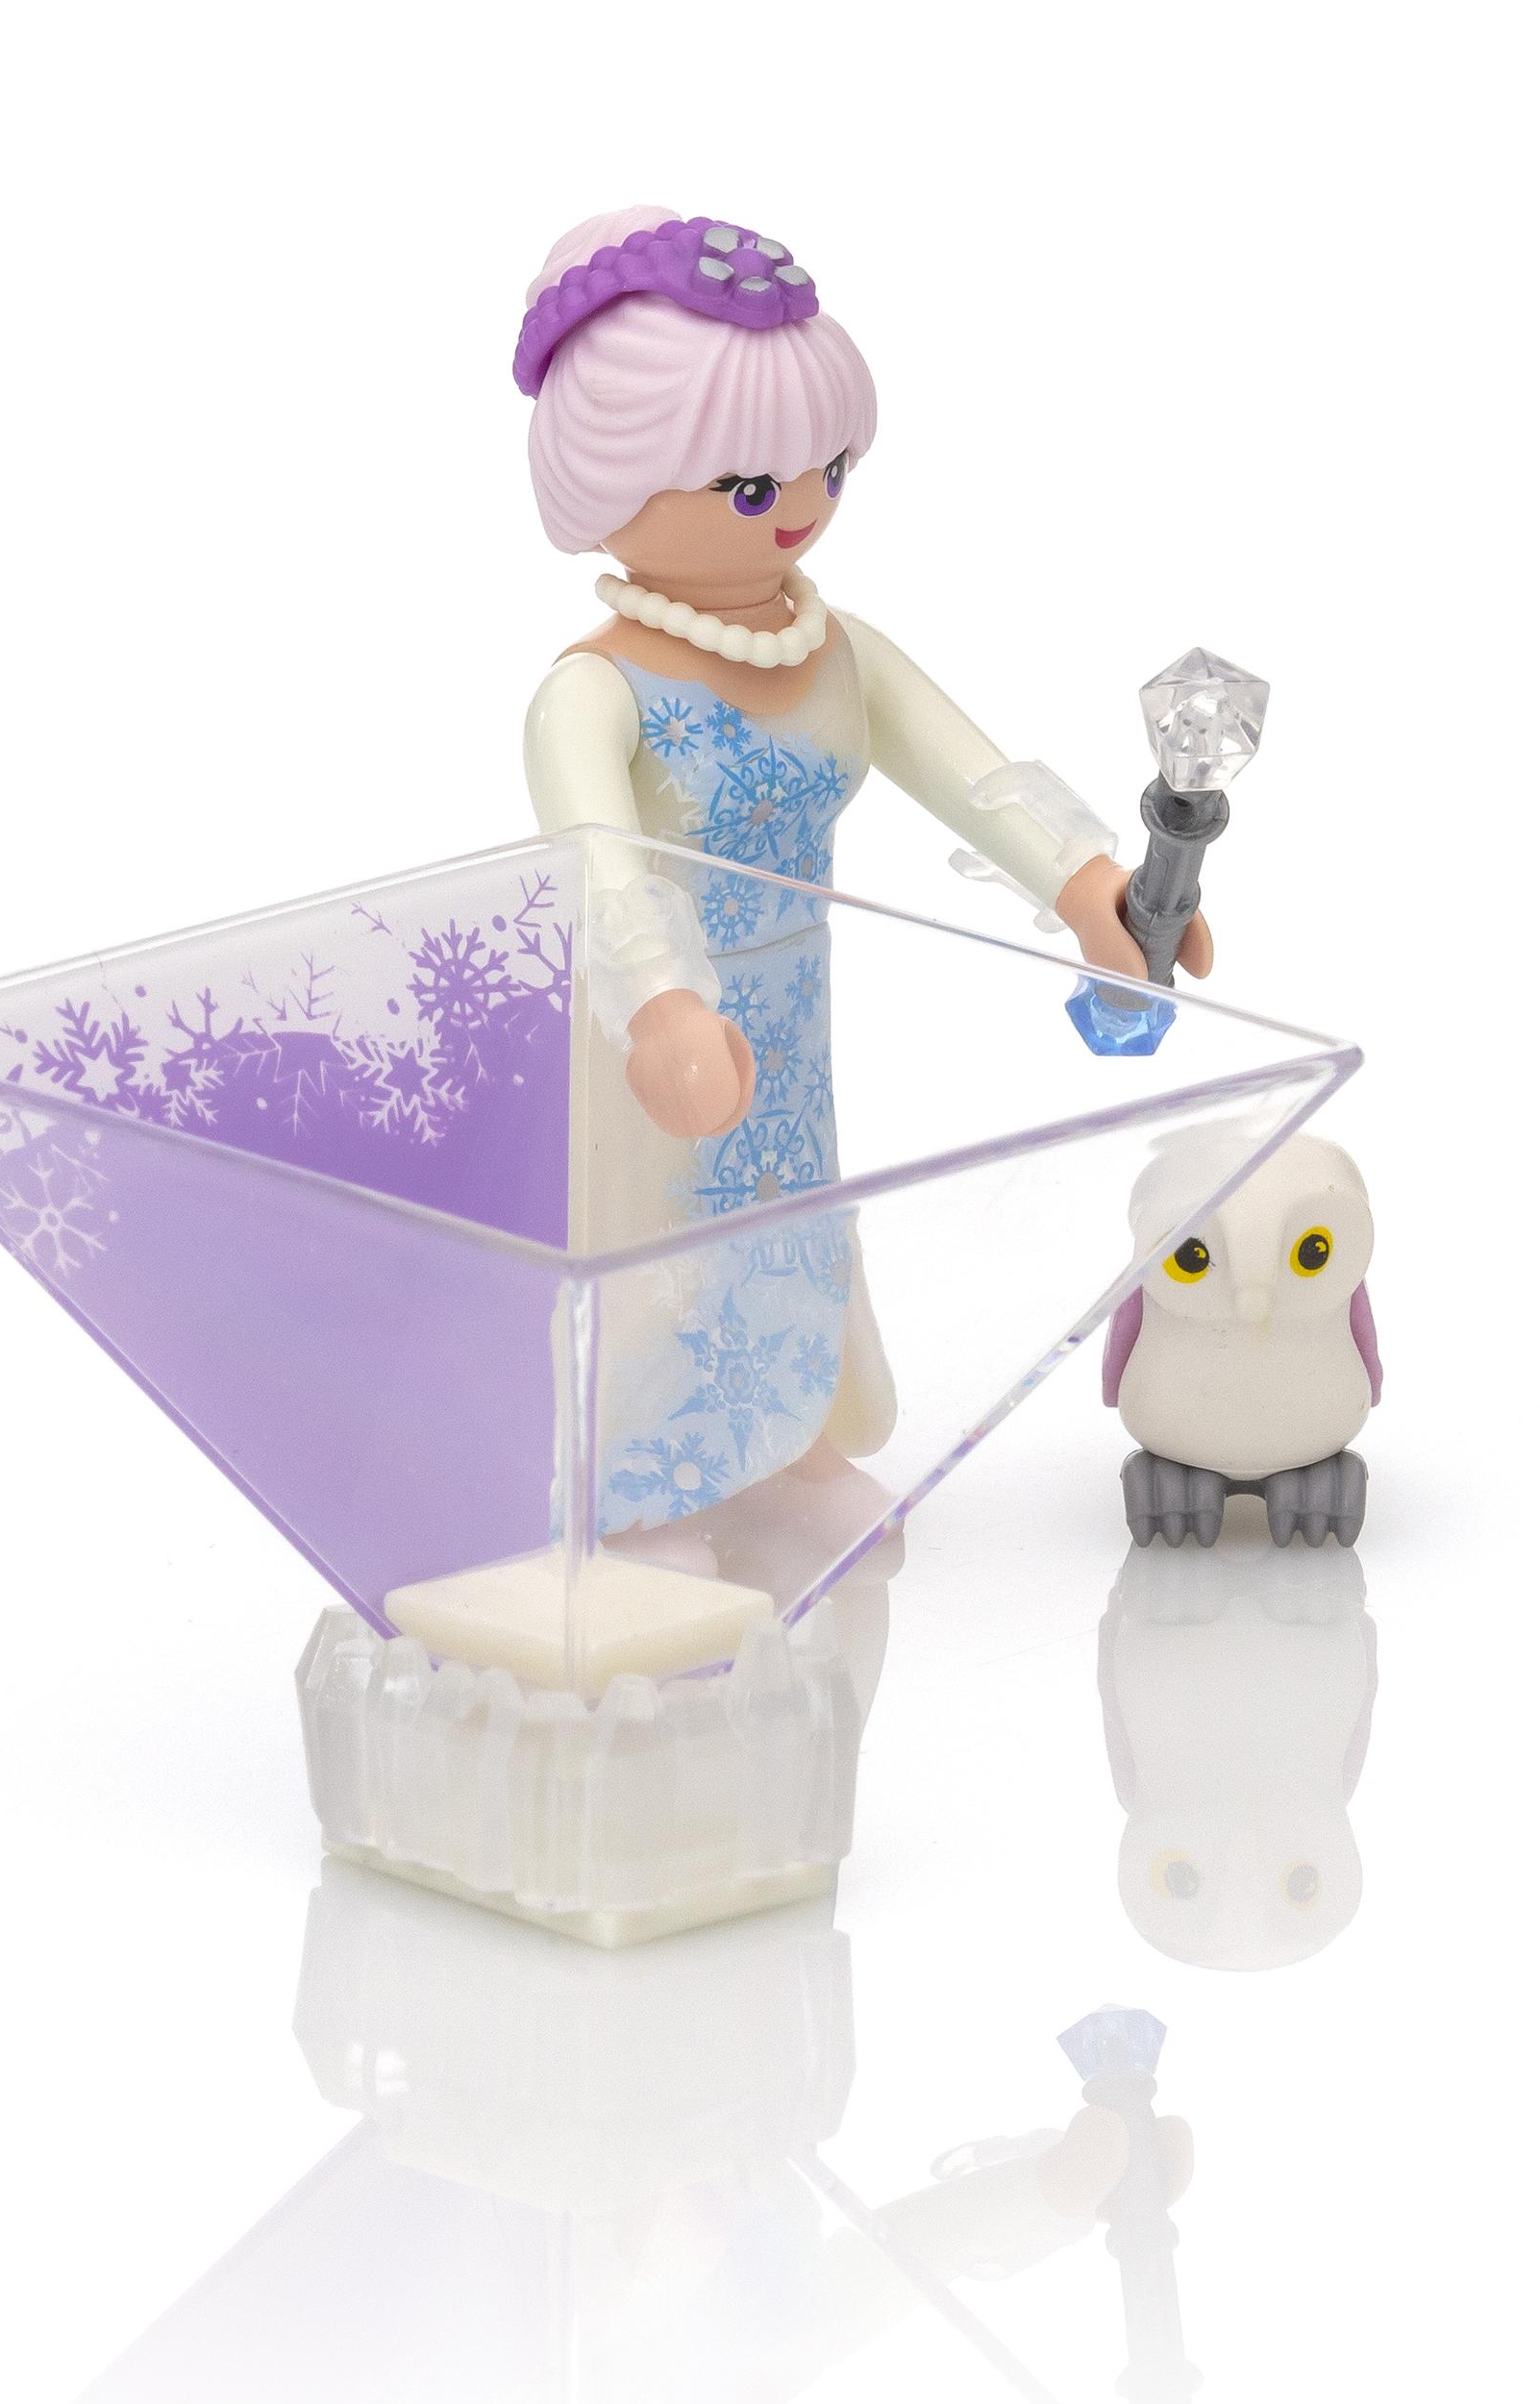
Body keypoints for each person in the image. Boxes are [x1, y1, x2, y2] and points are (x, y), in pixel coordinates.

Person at [511, 206, 1217, 1529]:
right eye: (749, 488)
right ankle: (651, 1491)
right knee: (666, 1239)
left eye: (830, 466)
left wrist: (1092, 891)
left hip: (793, 1009)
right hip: (665, 1026)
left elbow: (980, 780)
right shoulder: (591, 696)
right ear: (611, 482)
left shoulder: (839, 653)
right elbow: (600, 873)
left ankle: (786, 1440)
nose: (801, 509)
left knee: (796, 1209)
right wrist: (659, 1005)